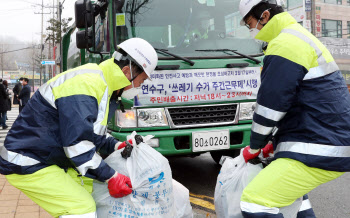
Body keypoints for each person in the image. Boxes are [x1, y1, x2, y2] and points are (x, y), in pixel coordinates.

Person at [0, 38, 158, 218]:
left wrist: (115, 146)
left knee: (89, 189)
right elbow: (78, 145)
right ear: (127, 71)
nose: (139, 87)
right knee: (82, 209)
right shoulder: (87, 83)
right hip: (28, 159)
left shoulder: (102, 84)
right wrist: (112, 177)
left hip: (44, 155)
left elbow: (91, 135)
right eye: (141, 81)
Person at [238, 0, 350, 217]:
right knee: (295, 199)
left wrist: (254, 146)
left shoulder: (285, 43)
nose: (251, 30)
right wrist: (272, 143)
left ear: (265, 16)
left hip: (319, 143)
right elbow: (303, 101)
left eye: (250, 23)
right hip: (327, 139)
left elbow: (271, 105)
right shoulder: (297, 36)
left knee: (255, 202)